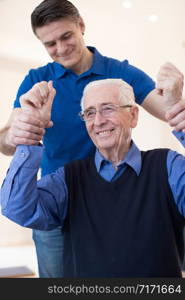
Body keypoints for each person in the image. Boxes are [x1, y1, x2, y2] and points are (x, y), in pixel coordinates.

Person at [0, 0, 184, 277]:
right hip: (58, 197)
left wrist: (175, 99)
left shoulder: (120, 72)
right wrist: (18, 133)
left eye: (66, 36)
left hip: (113, 193)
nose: (60, 49)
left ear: (81, 26)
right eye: (50, 44)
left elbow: (170, 112)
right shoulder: (37, 81)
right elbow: (6, 143)